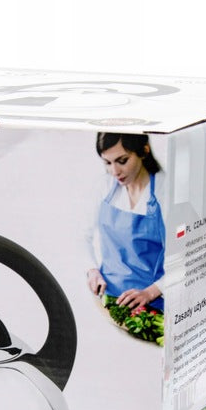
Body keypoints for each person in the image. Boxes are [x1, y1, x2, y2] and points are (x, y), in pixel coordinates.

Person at [85, 133, 165, 311]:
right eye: (107, 163)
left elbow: (188, 255)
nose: (115, 172)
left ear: (144, 151)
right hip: (109, 299)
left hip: (152, 305)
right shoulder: (105, 187)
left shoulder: (165, 190)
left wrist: (150, 292)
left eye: (122, 161)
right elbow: (83, 235)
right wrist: (92, 270)